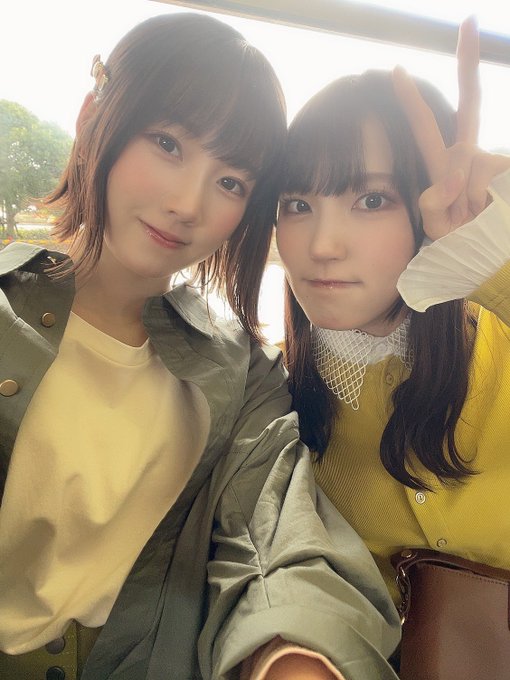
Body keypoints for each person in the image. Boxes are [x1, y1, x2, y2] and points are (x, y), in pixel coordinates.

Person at [0, 12, 401, 680]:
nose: (188, 204)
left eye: (231, 182)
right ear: (94, 117)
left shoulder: (242, 373)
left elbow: (275, 532)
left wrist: (295, 654)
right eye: (167, 143)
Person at [277, 15, 510, 640]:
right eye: (297, 204)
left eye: (372, 200)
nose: (322, 245)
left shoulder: (500, 335)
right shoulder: (273, 394)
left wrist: (492, 258)